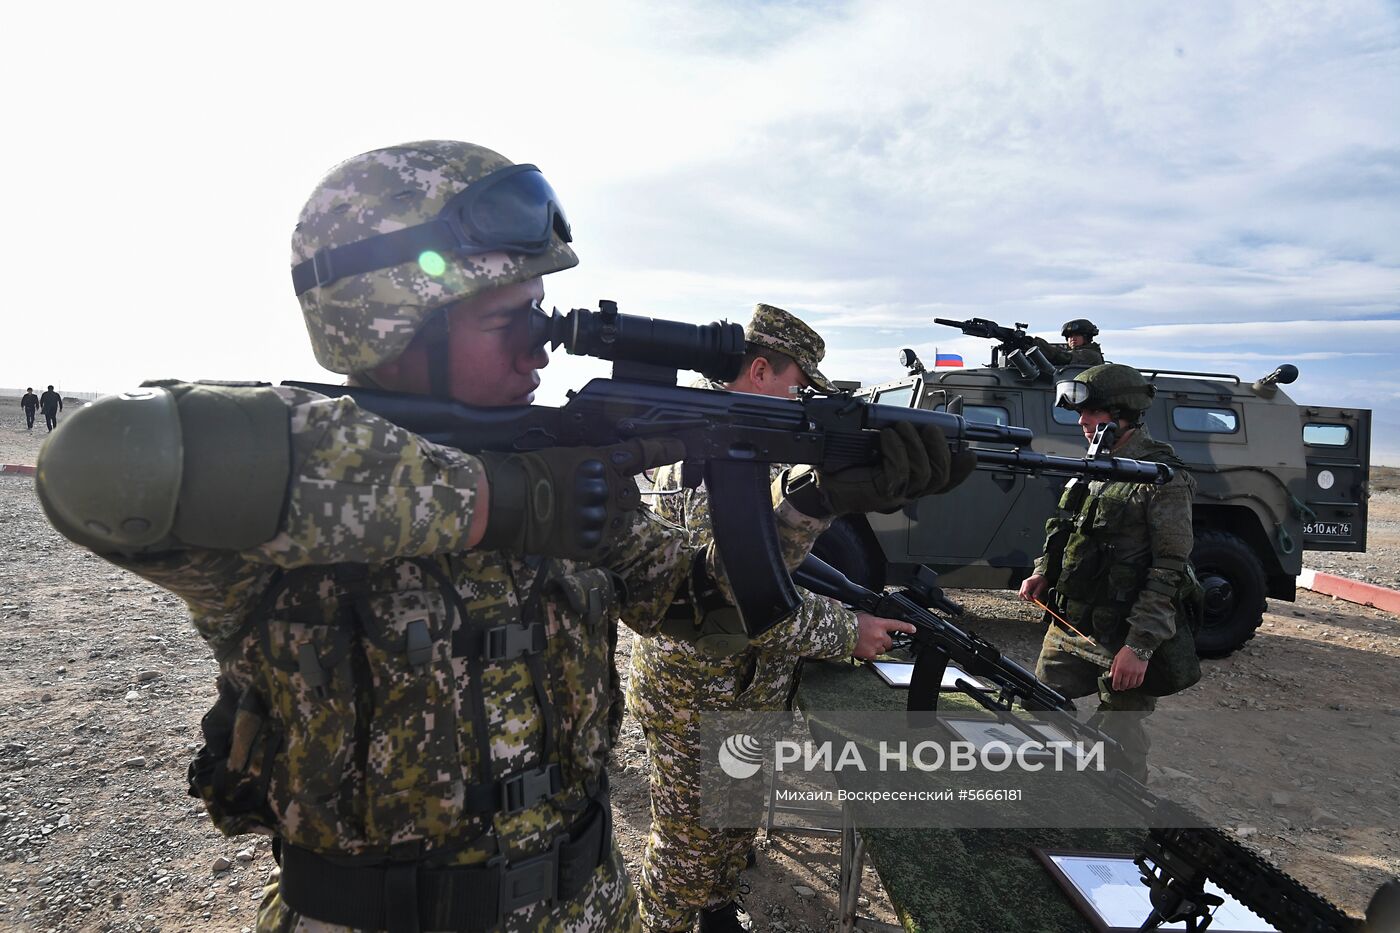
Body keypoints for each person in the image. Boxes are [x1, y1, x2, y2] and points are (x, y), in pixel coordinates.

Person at [34, 140, 959, 933]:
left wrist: (812, 501)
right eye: (507, 319)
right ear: (396, 320)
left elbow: (709, 608)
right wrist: (501, 501)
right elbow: (94, 460)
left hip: (590, 903)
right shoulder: (288, 490)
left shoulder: (571, 472)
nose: (541, 346)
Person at [628, 303, 975, 933]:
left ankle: (714, 909)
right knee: (684, 852)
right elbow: (735, 598)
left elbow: (778, 572)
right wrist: (849, 632)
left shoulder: (728, 444)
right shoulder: (711, 456)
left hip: (732, 688)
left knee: (727, 825)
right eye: (797, 383)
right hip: (699, 690)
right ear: (761, 370)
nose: (800, 398)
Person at [1017, 363, 1195, 781]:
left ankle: (1122, 822)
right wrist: (1044, 570)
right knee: (1038, 708)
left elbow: (1170, 567)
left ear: (1122, 415)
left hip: (1124, 633)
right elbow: (1065, 526)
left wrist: (1141, 646)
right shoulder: (1096, 464)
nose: (1081, 422)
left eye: (1091, 413)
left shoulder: (1161, 476)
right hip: (1071, 623)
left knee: (1117, 736)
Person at [1034, 319, 1104, 366]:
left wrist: (1037, 344)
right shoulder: (1065, 351)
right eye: (1070, 336)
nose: (1073, 338)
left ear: (1087, 337)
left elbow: (1064, 357)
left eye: (1077, 335)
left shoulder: (1092, 355)